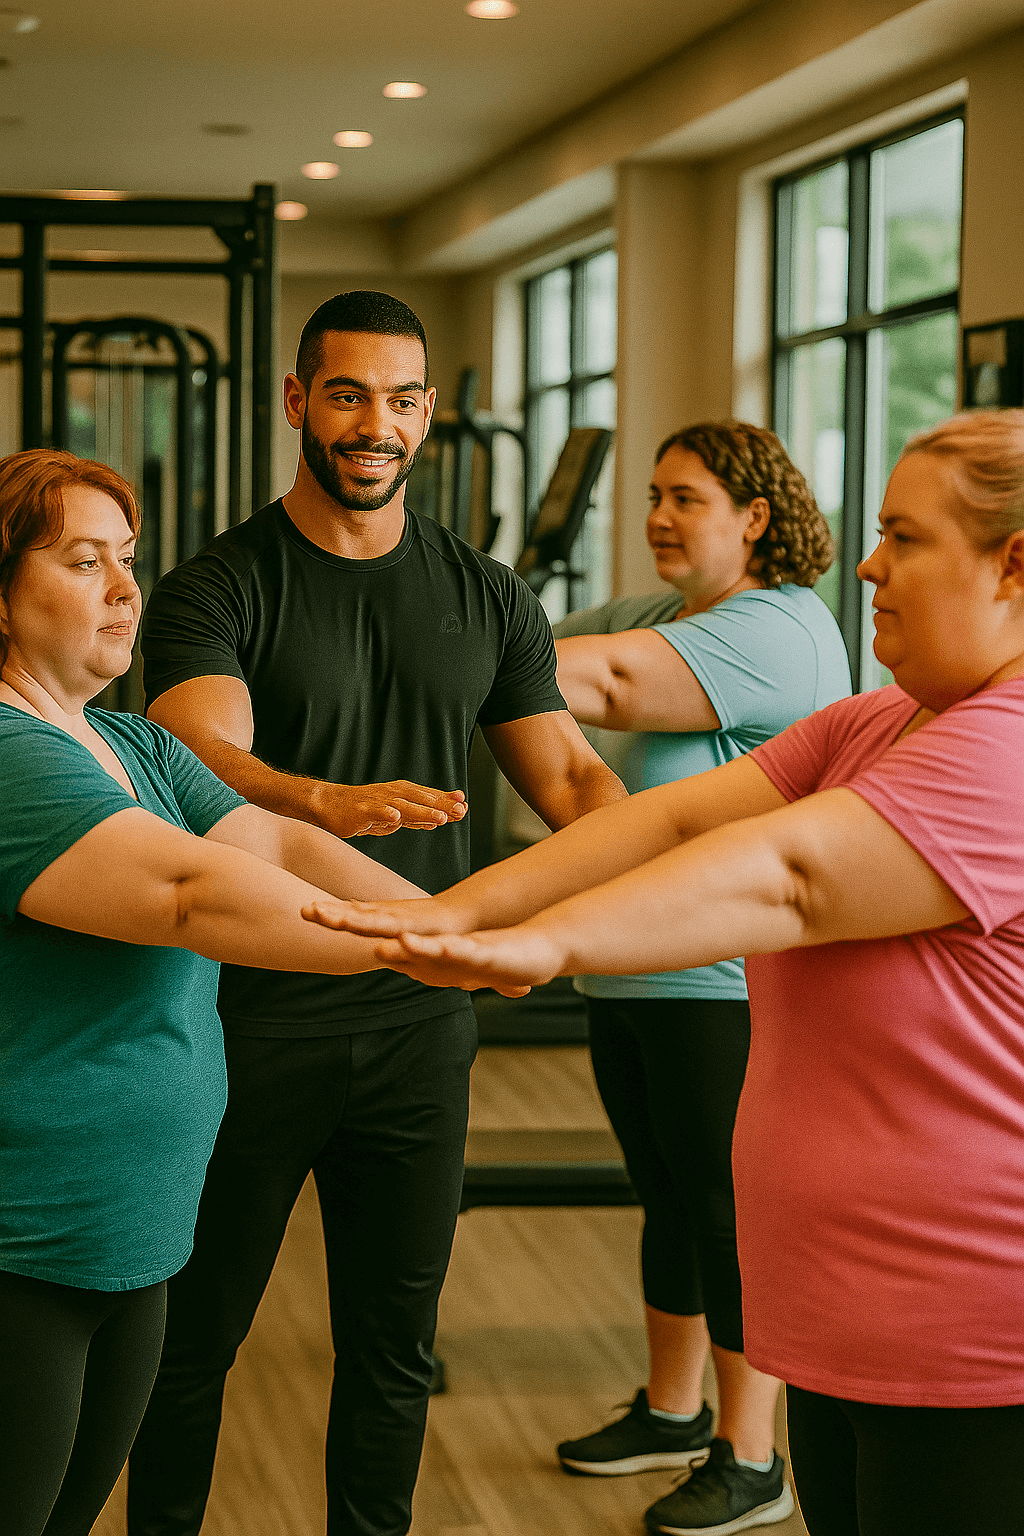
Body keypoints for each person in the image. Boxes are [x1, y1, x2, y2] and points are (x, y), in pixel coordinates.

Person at [306, 408, 1024, 1536]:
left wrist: (537, 944)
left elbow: (786, 875)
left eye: (904, 537)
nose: (871, 563)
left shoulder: (1004, 746)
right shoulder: (879, 720)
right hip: (852, 1325)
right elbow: (667, 817)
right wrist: (455, 912)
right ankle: (688, 1410)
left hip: (972, 1339)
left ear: (1013, 563)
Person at [128, 290, 626, 1536]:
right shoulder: (218, 586)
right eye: (347, 395)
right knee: (190, 1352)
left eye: (401, 400)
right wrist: (319, 806)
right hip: (246, 1022)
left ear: (428, 416)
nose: (375, 425)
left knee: (395, 1354)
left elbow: (569, 780)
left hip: (418, 1028)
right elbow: (199, 753)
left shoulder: (489, 595)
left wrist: (669, 888)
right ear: (297, 403)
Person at [0, 448, 454, 1536]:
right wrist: (436, 949)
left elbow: (286, 851)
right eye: (82, 561)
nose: (123, 588)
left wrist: (469, 924)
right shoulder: (11, 756)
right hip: (22, 1245)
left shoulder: (134, 743)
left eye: (128, 560)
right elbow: (195, 896)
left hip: (134, 1236)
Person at [545, 421, 849, 1534]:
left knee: (727, 1215)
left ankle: (751, 1452)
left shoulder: (776, 630)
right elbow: (530, 637)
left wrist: (430, 624)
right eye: (653, 496)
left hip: (725, 984)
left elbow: (595, 681)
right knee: (666, 1197)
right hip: (634, 977)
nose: (658, 518)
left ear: (754, 518)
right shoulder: (662, 614)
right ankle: (673, 1412)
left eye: (685, 498)